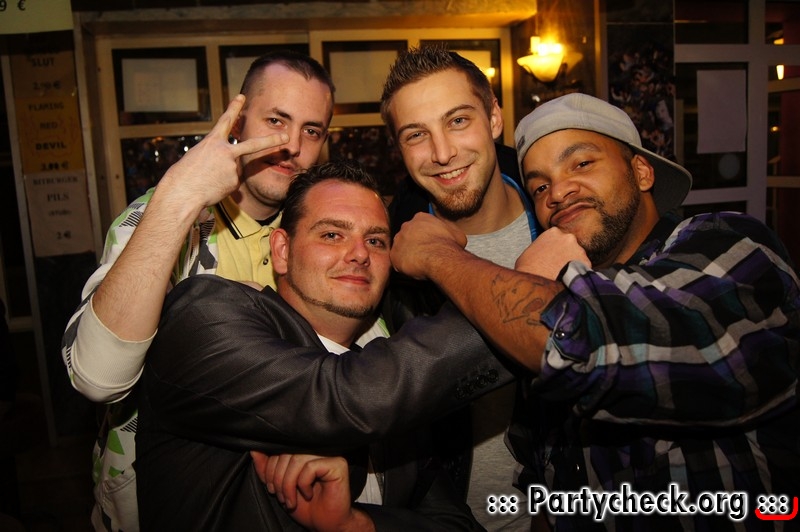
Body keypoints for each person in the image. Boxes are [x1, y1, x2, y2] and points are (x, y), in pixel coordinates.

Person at [390, 92, 800, 529]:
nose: (559, 192)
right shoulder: (557, 295)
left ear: (641, 171)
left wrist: (439, 256)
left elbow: (581, 341)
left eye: (582, 164)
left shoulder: (731, 247)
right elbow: (544, 484)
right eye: (540, 187)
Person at [136, 160, 512, 530]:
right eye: (332, 234)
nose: (360, 253)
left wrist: (357, 525)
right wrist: (516, 314)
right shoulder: (203, 317)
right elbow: (344, 397)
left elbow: (455, 523)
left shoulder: (391, 371)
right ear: (282, 251)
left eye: (376, 241)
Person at [60, 50, 336, 531]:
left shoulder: (316, 234)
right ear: (238, 121)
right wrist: (181, 196)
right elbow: (97, 378)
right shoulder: (164, 216)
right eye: (276, 120)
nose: (291, 145)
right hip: (153, 509)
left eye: (312, 130)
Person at [379, 45, 538, 529]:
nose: (442, 153)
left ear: (495, 118)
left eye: (458, 121)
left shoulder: (568, 223)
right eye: (416, 135)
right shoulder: (387, 263)